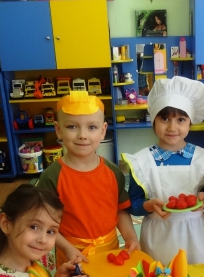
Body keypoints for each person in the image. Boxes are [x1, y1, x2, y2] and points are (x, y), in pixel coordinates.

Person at [122, 76, 204, 265]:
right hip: (158, 237)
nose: (172, 127)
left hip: (195, 237)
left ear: (190, 123)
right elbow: (133, 204)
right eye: (164, 119)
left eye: (181, 120)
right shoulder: (142, 161)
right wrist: (148, 205)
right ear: (153, 120)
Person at [37, 91, 140, 266]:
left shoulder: (113, 173)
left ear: (103, 131)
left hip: (110, 251)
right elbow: (45, 223)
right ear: (58, 130)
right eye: (72, 127)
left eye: (92, 127)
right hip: (71, 254)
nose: (82, 135)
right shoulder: (52, 177)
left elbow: (120, 210)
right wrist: (68, 249)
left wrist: (131, 238)